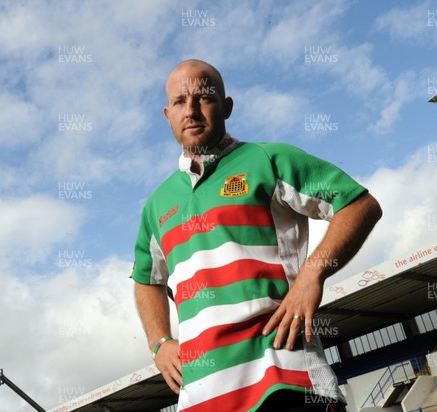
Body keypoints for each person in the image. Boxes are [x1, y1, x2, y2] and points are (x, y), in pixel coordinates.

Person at [132, 59, 382, 412]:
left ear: (226, 106)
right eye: (179, 102)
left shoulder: (267, 159)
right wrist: (160, 344)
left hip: (284, 380)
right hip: (203, 399)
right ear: (167, 114)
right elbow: (146, 279)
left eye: (204, 98)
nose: (191, 110)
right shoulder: (156, 205)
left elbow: (359, 205)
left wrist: (312, 275)